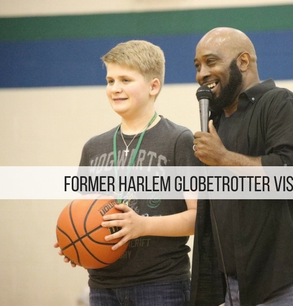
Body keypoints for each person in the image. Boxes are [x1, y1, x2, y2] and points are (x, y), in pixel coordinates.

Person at [190, 27, 293, 306]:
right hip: (238, 286)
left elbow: (289, 174)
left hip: (289, 280)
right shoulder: (217, 123)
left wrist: (223, 158)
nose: (202, 74)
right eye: (198, 66)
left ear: (243, 61)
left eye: (211, 62)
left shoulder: (281, 103)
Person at [55, 40, 199, 305]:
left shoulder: (178, 139)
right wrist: (75, 240)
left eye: (125, 80)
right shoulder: (94, 147)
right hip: (102, 285)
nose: (115, 89)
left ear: (153, 86)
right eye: (110, 80)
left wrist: (143, 226)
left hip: (161, 284)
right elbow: (84, 214)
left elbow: (198, 218)